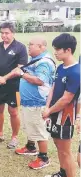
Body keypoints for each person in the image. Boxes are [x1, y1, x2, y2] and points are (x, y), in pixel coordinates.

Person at [42, 33, 80, 177]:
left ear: (68, 50)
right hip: (54, 113)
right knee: (58, 145)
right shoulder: (60, 67)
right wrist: (47, 107)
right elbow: (53, 88)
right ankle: (63, 173)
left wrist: (49, 111)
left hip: (66, 117)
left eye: (58, 50)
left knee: (66, 151)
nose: (55, 53)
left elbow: (67, 98)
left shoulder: (76, 72)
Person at [11, 36, 56, 169]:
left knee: (38, 128)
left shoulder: (44, 62)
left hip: (38, 102)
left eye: (31, 45)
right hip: (29, 101)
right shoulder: (35, 60)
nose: (28, 47)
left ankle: (43, 157)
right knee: (30, 125)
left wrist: (22, 75)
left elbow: (39, 80)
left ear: (41, 47)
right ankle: (31, 147)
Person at [0, 22, 28, 149]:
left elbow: (20, 68)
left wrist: (5, 78)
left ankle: (14, 137)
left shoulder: (20, 47)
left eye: (7, 33)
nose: (4, 35)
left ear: (13, 33)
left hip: (14, 86)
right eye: (2, 33)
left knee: (13, 111)